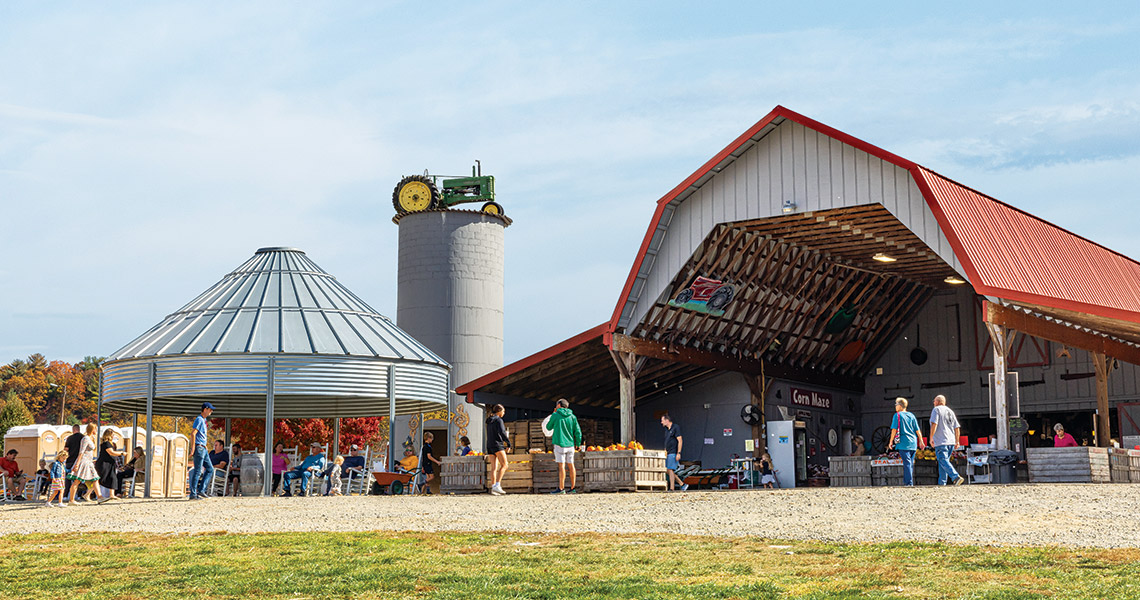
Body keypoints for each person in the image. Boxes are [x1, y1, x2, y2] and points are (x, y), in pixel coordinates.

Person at [546, 398, 583, 494]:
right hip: (570, 444)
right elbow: (578, 432)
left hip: (559, 443)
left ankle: (561, 489)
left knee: (561, 466)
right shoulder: (573, 417)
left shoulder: (555, 415)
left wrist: (553, 415)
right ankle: (572, 488)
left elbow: (548, 427)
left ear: (559, 405)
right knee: (571, 465)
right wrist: (578, 444)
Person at [887, 397, 925, 486]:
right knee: (910, 463)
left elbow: (894, 429)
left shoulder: (897, 415)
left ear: (900, 406)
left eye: (896, 405)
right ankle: (909, 482)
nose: (895, 407)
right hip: (913, 442)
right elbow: (917, 429)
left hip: (903, 443)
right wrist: (921, 441)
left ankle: (908, 483)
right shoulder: (911, 415)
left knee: (907, 463)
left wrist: (890, 441)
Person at [929, 395, 964, 486]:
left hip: (941, 440)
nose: (933, 403)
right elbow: (957, 427)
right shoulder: (950, 411)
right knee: (943, 463)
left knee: (942, 460)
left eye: (934, 401)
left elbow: (934, 424)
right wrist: (957, 441)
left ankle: (955, 477)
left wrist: (931, 437)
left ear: (937, 402)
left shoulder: (936, 410)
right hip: (951, 441)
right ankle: (942, 483)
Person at [187, 402, 215, 500]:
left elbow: (201, 435)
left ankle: (201, 490)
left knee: (210, 469)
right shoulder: (199, 419)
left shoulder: (204, 420)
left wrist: (205, 445)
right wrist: (193, 448)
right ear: (205, 409)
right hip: (199, 448)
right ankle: (193, 494)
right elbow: (193, 433)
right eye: (210, 409)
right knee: (198, 471)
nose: (211, 411)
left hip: (203, 447)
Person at [67, 423, 100, 505]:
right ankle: (71, 500)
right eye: (95, 429)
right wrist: (77, 464)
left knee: (95, 478)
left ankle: (99, 497)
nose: (96, 431)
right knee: (77, 481)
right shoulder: (85, 438)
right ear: (92, 430)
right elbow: (81, 452)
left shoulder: (91, 438)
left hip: (89, 462)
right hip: (83, 462)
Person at [485, 404, 510, 496]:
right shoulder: (499, 420)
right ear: (499, 411)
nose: (504, 413)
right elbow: (502, 432)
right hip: (497, 445)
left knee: (494, 468)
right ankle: (498, 485)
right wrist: (508, 443)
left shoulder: (489, 421)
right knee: (505, 465)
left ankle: (493, 487)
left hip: (489, 445)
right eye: (503, 411)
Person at [95, 429, 126, 503]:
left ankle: (112, 494)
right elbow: (111, 452)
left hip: (110, 464)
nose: (113, 436)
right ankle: (88, 493)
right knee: (101, 479)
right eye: (112, 435)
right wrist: (121, 453)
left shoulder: (110, 444)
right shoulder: (106, 444)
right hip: (104, 464)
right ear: (109, 435)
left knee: (112, 477)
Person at [661, 413, 688, 491]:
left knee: (670, 469)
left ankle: (672, 488)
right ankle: (682, 484)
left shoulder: (675, 427)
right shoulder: (666, 430)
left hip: (673, 452)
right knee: (667, 469)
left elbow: (680, 440)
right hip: (668, 452)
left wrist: (678, 453)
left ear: (667, 420)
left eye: (662, 420)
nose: (661, 422)